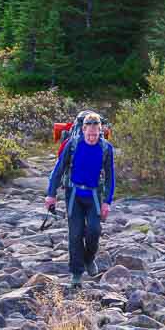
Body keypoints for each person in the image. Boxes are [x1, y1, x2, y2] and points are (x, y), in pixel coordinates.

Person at [45, 112, 115, 287]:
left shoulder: (106, 148)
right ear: (83, 130)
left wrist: (107, 201)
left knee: (94, 230)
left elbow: (110, 177)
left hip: (94, 195)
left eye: (96, 134)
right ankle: (76, 274)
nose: (92, 138)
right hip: (74, 194)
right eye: (89, 134)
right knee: (75, 234)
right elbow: (59, 170)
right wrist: (51, 194)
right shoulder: (73, 144)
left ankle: (89, 259)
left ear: (100, 131)